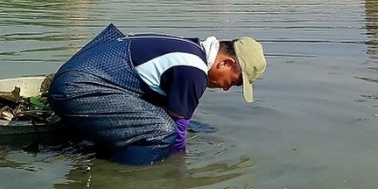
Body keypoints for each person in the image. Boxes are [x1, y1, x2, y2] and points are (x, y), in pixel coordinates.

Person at [48, 23, 267, 165]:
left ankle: (105, 156)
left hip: (76, 79)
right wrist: (178, 171)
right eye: (234, 82)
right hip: (78, 88)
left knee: (159, 120)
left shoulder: (189, 48)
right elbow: (177, 137)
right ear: (225, 63)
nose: (226, 88)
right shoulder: (194, 70)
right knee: (162, 132)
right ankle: (111, 177)